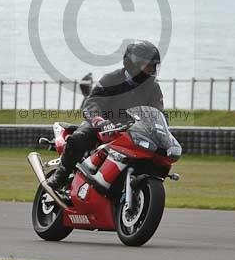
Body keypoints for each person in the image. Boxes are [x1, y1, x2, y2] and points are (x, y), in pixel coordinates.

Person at [46, 40, 163, 192]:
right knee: (79, 137)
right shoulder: (112, 79)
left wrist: (161, 130)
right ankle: (61, 176)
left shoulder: (153, 87)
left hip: (131, 129)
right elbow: (92, 102)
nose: (151, 70)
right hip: (103, 124)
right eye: (147, 66)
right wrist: (98, 120)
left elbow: (158, 113)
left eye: (153, 66)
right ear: (133, 64)